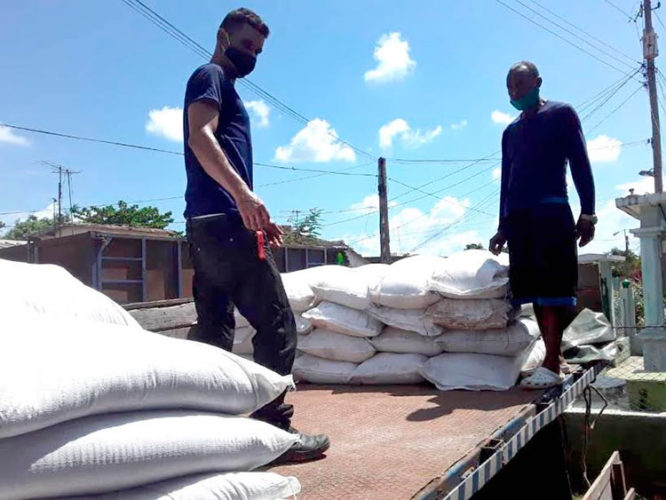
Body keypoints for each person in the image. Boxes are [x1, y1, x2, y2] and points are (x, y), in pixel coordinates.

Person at [183, 7, 329, 462]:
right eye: (246, 45)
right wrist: (244, 199)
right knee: (277, 323)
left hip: (206, 224)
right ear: (223, 35)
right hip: (225, 224)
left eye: (259, 51)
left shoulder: (223, 85)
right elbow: (200, 138)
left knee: (214, 328)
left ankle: (206, 431)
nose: (252, 56)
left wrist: (257, 214)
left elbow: (218, 154)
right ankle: (272, 432)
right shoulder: (210, 76)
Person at [489, 61, 596, 389]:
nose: (514, 93)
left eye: (519, 86)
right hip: (520, 220)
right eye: (509, 89)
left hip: (551, 213)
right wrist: (502, 225)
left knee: (555, 290)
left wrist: (588, 212)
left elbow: (580, 161)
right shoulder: (511, 132)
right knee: (534, 291)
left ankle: (551, 362)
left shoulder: (561, 114)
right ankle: (554, 357)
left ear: (537, 82)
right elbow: (507, 180)